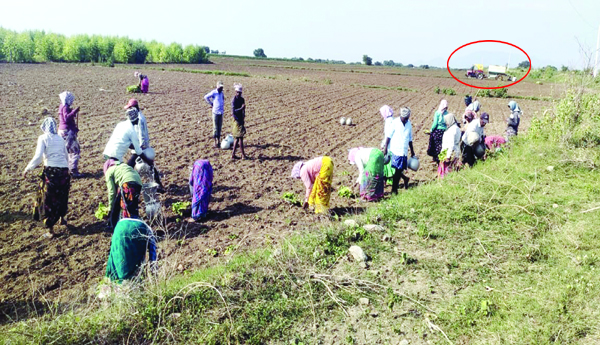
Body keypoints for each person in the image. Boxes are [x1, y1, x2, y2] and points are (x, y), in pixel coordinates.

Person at [23, 117, 71, 237]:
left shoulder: (43, 138)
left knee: (48, 200)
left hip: (51, 172)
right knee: (62, 195)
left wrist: (28, 168)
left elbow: (38, 156)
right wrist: (68, 170)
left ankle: (50, 231)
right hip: (64, 171)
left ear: (44, 128)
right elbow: (66, 155)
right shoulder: (60, 139)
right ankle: (63, 218)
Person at [123, 99, 164, 190]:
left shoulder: (140, 119)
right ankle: (159, 185)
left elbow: (142, 134)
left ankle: (126, 185)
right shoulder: (138, 116)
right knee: (150, 166)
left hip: (141, 147)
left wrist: (139, 147)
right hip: (140, 147)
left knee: (129, 166)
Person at [105, 217, 156, 283]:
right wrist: (154, 275)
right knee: (134, 263)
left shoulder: (121, 222)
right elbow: (153, 257)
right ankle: (128, 281)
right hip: (137, 229)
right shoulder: (147, 229)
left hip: (119, 227)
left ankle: (111, 281)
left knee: (116, 254)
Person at [382, 107, 415, 194]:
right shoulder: (395, 122)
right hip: (395, 150)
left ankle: (395, 188)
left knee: (399, 170)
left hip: (403, 151)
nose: (406, 120)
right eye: (405, 118)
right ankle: (394, 189)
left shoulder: (409, 124)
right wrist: (385, 149)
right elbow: (388, 136)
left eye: (407, 118)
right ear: (401, 116)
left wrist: (412, 151)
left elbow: (410, 139)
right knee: (397, 170)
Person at [104, 159, 143, 229]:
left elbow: (112, 192)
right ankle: (113, 225)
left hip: (128, 183)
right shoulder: (121, 166)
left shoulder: (108, 172)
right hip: (138, 182)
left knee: (128, 208)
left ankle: (132, 228)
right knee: (119, 204)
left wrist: (110, 208)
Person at [57, 91, 82, 177]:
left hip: (62, 131)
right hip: (68, 132)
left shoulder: (61, 106)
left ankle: (63, 170)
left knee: (65, 151)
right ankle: (73, 171)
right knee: (75, 150)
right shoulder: (65, 107)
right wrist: (74, 111)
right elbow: (67, 118)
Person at [438, 113, 462, 179]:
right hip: (456, 151)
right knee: (453, 169)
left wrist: (448, 156)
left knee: (446, 170)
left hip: (449, 152)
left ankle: (445, 182)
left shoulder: (452, 130)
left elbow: (451, 144)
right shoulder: (457, 128)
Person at [204, 81, 225, 148]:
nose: (221, 88)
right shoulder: (214, 92)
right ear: (217, 86)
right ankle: (215, 142)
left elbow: (222, 100)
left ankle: (219, 141)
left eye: (222, 87)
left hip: (221, 112)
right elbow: (206, 97)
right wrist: (211, 103)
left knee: (219, 127)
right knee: (215, 127)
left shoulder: (222, 93)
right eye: (220, 87)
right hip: (215, 112)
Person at [427, 99, 448, 164]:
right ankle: (441, 158)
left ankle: (436, 158)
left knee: (435, 145)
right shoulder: (447, 113)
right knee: (442, 145)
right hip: (444, 131)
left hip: (437, 131)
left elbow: (435, 123)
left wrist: (431, 130)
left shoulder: (437, 113)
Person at [231, 83, 248, 159]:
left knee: (237, 138)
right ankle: (243, 155)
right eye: (237, 92)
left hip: (241, 119)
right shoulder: (234, 100)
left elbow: (243, 110)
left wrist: (243, 114)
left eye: (240, 93)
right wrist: (241, 108)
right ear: (235, 92)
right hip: (236, 120)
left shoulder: (242, 99)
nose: (238, 94)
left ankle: (233, 154)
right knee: (240, 138)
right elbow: (234, 112)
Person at [379, 105, 395, 181]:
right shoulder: (392, 119)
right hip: (393, 143)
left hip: (390, 144)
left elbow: (388, 135)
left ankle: (390, 179)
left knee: (387, 161)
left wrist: (384, 145)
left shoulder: (388, 121)